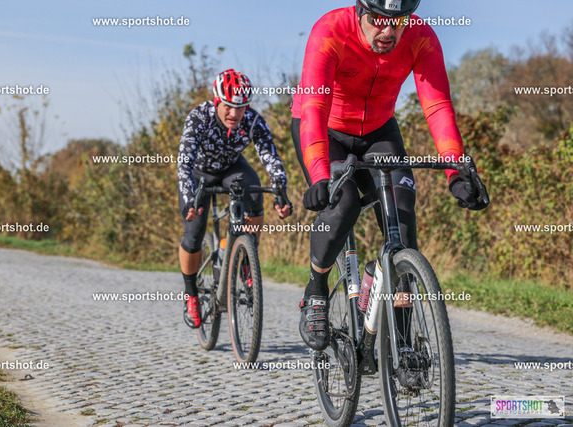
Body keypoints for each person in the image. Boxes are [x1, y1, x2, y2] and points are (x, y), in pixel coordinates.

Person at [292, 0, 486, 350]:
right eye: (378, 20)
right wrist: (320, 175)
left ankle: (404, 345)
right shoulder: (330, 31)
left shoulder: (421, 37)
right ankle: (316, 290)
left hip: (378, 131)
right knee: (344, 204)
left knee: (403, 221)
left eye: (398, 21)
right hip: (325, 129)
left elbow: (437, 106)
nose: (388, 31)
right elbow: (314, 107)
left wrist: (456, 172)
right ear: (359, 12)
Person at [178, 69, 292, 328]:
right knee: (193, 235)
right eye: (228, 106)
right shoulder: (199, 118)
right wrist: (189, 198)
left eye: (240, 107)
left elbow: (271, 157)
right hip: (199, 173)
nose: (234, 113)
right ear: (217, 102)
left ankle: (246, 259)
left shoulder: (253, 120)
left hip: (231, 168)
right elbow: (184, 163)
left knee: (253, 190)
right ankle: (191, 295)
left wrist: (281, 192)